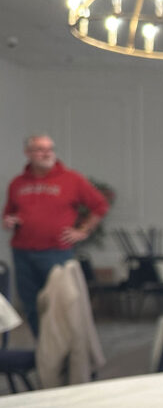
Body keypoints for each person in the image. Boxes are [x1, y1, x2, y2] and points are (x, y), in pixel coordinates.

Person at [2, 134, 109, 337]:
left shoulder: (71, 179)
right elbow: (8, 213)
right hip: (23, 252)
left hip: (56, 252)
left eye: (50, 149)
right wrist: (9, 221)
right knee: (31, 304)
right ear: (28, 153)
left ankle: (63, 355)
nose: (47, 153)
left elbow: (100, 205)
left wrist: (82, 231)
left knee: (60, 306)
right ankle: (43, 350)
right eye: (40, 149)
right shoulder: (17, 183)